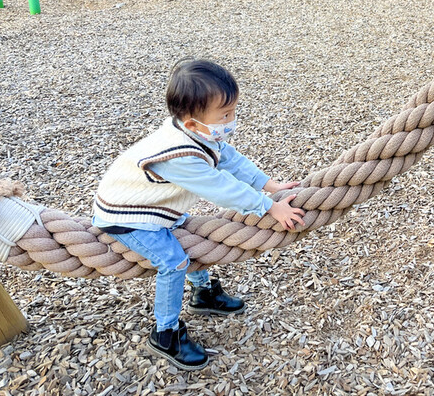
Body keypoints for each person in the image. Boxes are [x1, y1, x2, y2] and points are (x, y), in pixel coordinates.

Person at [92, 58, 305, 371]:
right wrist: (270, 207)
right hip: (128, 215)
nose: (232, 120)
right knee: (173, 260)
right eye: (226, 115)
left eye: (232, 111)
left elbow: (229, 158)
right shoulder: (179, 155)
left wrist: (271, 185)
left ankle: (202, 294)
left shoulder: (198, 132)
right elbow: (221, 187)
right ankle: (165, 333)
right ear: (192, 123)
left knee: (188, 238)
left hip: (155, 207)